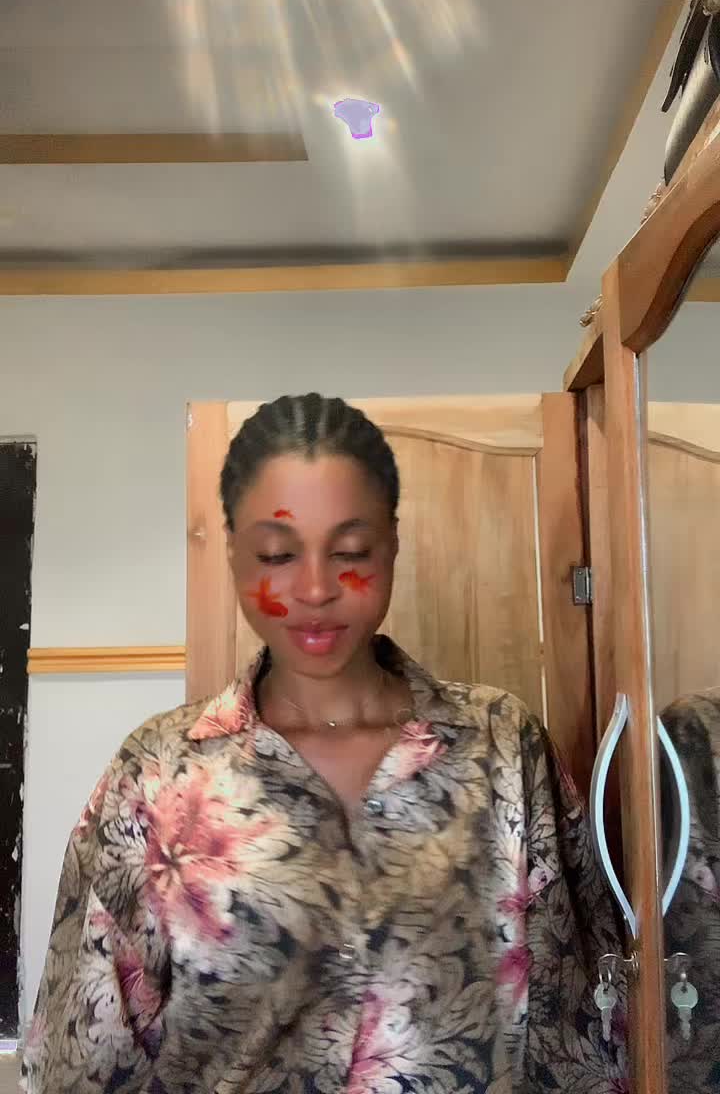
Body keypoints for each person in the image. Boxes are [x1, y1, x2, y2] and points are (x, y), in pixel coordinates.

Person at [22, 393, 626, 1093]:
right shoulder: (158, 774)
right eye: (277, 554)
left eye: (350, 552)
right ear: (235, 557)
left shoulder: (502, 748)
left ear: (391, 546)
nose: (314, 589)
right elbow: (82, 1056)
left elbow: (581, 1032)